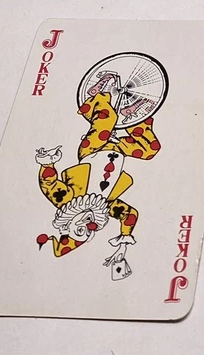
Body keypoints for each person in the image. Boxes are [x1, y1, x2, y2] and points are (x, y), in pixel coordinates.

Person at [33, 70, 160, 278]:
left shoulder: (67, 201)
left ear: (68, 225)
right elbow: (129, 214)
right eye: (89, 230)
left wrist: (48, 162)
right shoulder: (106, 206)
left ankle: (97, 95)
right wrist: (124, 237)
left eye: (80, 229)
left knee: (106, 120)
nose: (87, 225)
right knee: (149, 149)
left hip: (93, 150)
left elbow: (49, 184)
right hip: (116, 150)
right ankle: (133, 115)